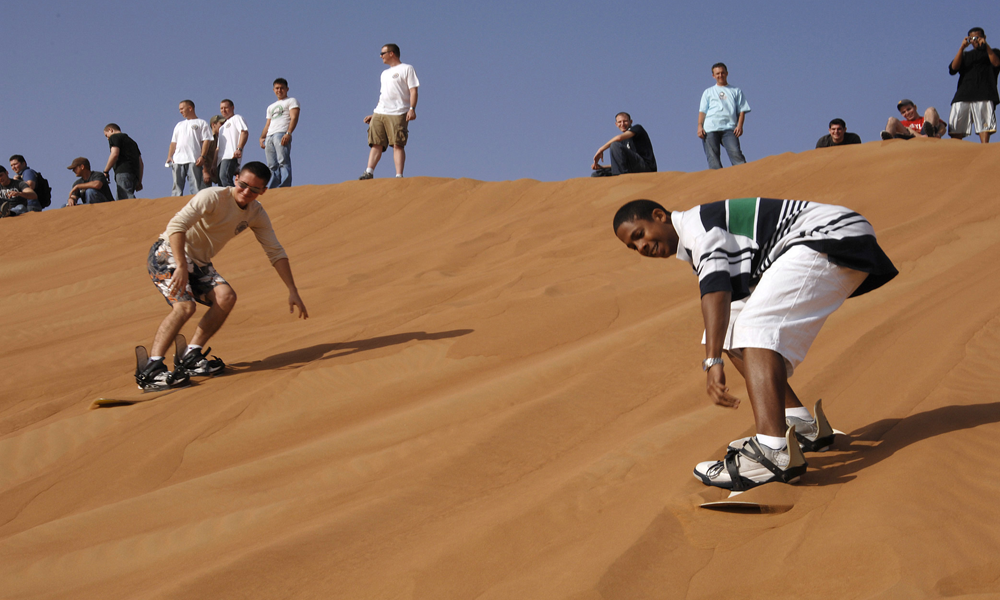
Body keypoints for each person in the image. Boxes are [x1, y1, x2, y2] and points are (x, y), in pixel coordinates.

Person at [612, 197, 897, 490]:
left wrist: (713, 362)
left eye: (639, 235)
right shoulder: (701, 237)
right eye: (633, 247)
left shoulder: (698, 226)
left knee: (755, 327)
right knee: (733, 329)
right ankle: (800, 426)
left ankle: (773, 452)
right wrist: (716, 348)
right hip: (819, 241)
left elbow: (716, 291)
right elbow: (729, 306)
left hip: (827, 235)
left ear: (659, 216)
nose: (641, 247)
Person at [136, 161, 309, 390]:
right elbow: (177, 226)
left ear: (263, 191)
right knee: (185, 307)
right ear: (236, 178)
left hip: (199, 263)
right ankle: (151, 368)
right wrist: (179, 265)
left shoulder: (256, 213)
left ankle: (191, 356)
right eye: (243, 185)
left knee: (226, 297)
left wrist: (292, 290)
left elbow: (275, 251)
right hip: (168, 252)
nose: (246, 192)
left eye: (254, 189)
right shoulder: (212, 196)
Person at [359, 44, 419, 180]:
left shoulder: (407, 69)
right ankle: (369, 172)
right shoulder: (384, 73)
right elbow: (383, 95)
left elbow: (413, 90)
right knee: (376, 143)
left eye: (383, 53)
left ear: (391, 53)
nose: (381, 56)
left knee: (398, 144)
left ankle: (399, 175)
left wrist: (412, 108)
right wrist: (374, 114)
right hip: (380, 111)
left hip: (399, 112)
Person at [947, 27, 1000, 143]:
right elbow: (953, 69)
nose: (975, 40)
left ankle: (984, 150)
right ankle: (956, 153)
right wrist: (962, 48)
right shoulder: (965, 55)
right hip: (963, 94)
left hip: (984, 93)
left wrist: (986, 46)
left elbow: (996, 63)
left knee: (985, 126)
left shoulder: (994, 52)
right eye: (972, 38)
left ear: (984, 37)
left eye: (977, 37)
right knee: (956, 127)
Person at [698, 63, 751, 170]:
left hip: (729, 128)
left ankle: (745, 178)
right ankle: (717, 183)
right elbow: (702, 111)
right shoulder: (708, 92)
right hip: (710, 128)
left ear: (727, 73)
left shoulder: (736, 91)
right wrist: (700, 126)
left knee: (736, 154)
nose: (720, 75)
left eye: (722, 73)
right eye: (717, 73)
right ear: (713, 75)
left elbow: (742, 110)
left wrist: (740, 126)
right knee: (713, 159)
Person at [167, 100, 213, 196]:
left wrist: (203, 156)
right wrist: (169, 156)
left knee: (195, 186)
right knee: (176, 188)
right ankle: (174, 207)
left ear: (190, 108)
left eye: (182, 109)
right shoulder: (179, 125)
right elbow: (173, 143)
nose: (180, 111)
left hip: (194, 159)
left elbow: (206, 140)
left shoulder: (201, 123)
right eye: (179, 109)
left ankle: (195, 207)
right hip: (178, 160)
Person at [259, 78, 299, 188]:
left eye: (282, 88)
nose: (279, 90)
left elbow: (294, 117)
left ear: (287, 89)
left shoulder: (291, 101)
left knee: (283, 161)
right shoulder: (270, 106)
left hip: (281, 133)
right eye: (277, 88)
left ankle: (285, 186)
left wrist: (288, 133)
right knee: (272, 165)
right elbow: (268, 123)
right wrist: (262, 137)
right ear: (273, 90)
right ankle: (273, 187)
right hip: (270, 135)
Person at [591, 112, 657, 176]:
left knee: (614, 145)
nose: (622, 124)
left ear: (630, 122)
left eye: (625, 121)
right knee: (597, 174)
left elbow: (619, 137)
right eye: (619, 122)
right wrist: (602, 167)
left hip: (646, 168)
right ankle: (619, 178)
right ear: (616, 124)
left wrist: (601, 149)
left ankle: (621, 180)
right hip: (631, 168)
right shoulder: (622, 143)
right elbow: (620, 164)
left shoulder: (637, 128)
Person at [102, 124, 144, 199]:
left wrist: (106, 171)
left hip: (123, 172)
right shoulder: (132, 142)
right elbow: (141, 163)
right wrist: (139, 181)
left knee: (126, 198)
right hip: (134, 175)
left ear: (110, 130)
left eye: (106, 135)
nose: (107, 138)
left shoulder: (114, 137)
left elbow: (114, 154)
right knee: (121, 201)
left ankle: (140, 210)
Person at [218, 99, 249, 187]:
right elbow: (218, 147)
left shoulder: (237, 118)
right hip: (220, 159)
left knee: (224, 177)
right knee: (221, 183)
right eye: (221, 108)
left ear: (232, 107)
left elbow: (244, 132)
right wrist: (213, 164)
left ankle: (234, 199)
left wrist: (239, 148)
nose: (223, 110)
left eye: (226, 108)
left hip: (231, 155)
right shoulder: (222, 127)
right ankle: (226, 200)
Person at [880, 100, 946, 140]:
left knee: (930, 109)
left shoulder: (925, 118)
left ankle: (929, 133)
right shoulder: (902, 123)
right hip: (910, 139)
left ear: (915, 107)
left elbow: (942, 126)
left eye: (909, 109)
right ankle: (887, 142)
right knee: (891, 120)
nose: (907, 113)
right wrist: (918, 136)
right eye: (903, 112)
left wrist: (939, 134)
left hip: (927, 136)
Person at [202, 115, 225, 188]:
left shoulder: (221, 139)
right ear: (213, 125)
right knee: (205, 196)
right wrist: (204, 172)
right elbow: (201, 156)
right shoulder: (208, 138)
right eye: (221, 124)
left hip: (215, 173)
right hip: (204, 173)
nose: (223, 126)